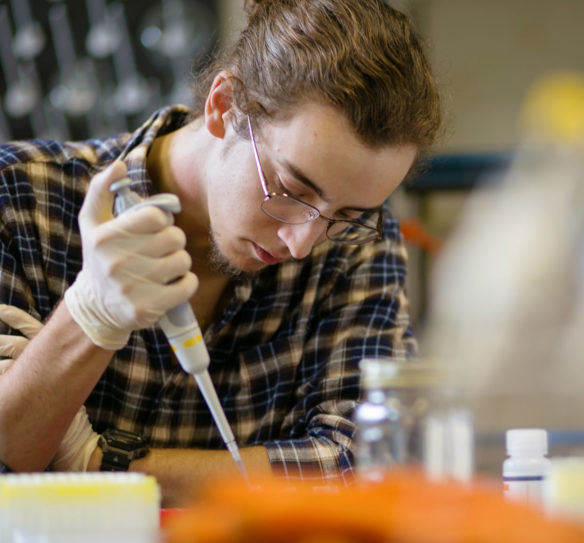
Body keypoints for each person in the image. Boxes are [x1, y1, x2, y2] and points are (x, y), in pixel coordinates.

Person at [0, 0, 441, 505]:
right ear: (224, 105)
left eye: (345, 215)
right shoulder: (17, 203)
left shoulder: (359, 243)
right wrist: (86, 318)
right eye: (291, 189)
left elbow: (371, 464)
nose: (302, 244)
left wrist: (100, 463)